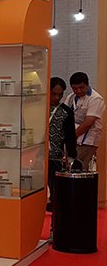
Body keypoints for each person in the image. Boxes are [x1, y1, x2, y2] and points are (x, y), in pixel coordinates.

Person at [47, 77, 78, 211]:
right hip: (37, 153)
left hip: (56, 156)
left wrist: (72, 156)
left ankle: (54, 209)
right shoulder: (39, 107)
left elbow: (70, 136)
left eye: (60, 94)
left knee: (55, 186)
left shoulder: (66, 111)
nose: (57, 97)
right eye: (53, 94)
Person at [65, 71, 104, 169]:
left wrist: (71, 137)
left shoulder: (95, 99)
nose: (78, 91)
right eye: (75, 88)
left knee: (78, 167)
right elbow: (64, 115)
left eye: (81, 87)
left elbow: (88, 123)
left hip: (87, 140)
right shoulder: (71, 97)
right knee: (68, 166)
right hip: (73, 139)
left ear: (87, 84)